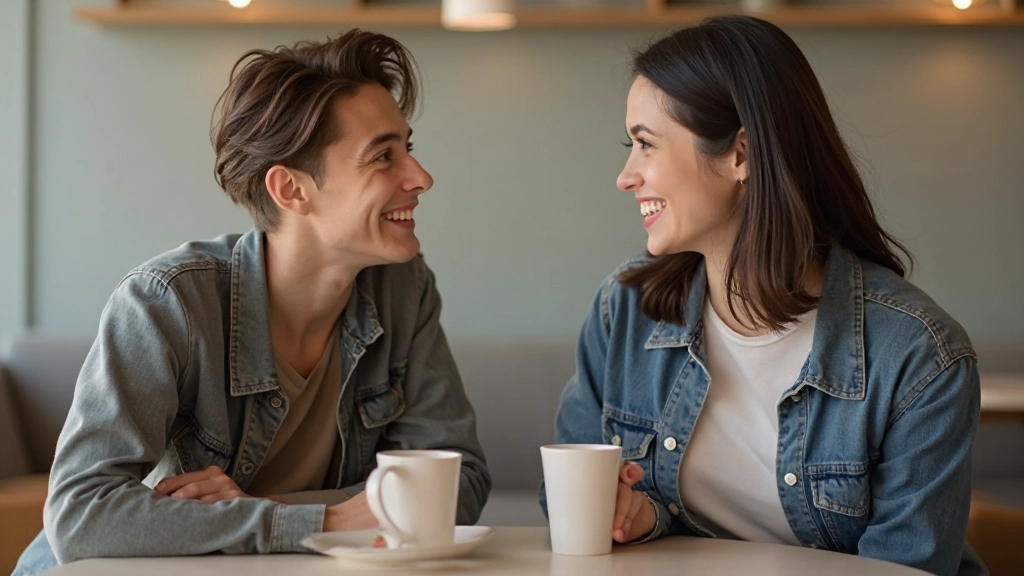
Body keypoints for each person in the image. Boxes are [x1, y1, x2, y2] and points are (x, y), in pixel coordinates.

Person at [14, 30, 490, 575]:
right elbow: (80, 516)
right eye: (383, 156)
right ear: (291, 190)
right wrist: (332, 522)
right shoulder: (167, 303)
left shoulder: (404, 289)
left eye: (409, 147)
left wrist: (269, 512)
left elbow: (460, 481)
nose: (420, 177)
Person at [550, 15, 984, 576]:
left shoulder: (920, 356)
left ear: (742, 154)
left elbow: (908, 567)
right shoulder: (625, 309)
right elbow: (566, 496)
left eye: (645, 145)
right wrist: (632, 515)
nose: (626, 176)